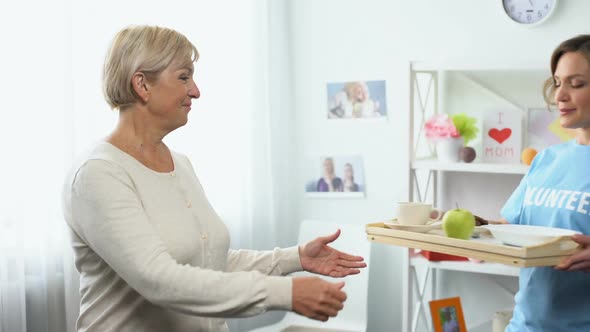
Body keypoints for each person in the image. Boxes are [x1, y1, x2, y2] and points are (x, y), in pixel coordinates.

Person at [61, 25, 366, 332]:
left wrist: (294, 258)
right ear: (142, 84)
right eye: (184, 77)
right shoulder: (98, 174)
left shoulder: (180, 164)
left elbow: (206, 263)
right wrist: (286, 294)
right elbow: (159, 279)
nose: (195, 91)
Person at [478, 35, 590, 331]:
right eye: (558, 82)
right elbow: (513, 229)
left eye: (576, 84)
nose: (560, 95)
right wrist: (471, 229)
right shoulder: (546, 159)